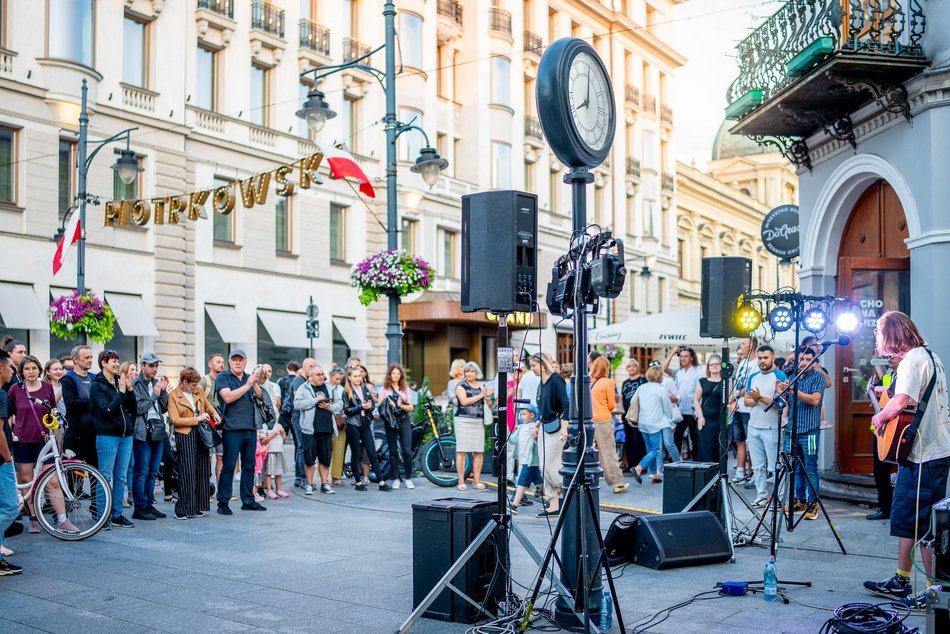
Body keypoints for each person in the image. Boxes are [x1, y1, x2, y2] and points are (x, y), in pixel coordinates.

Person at [864, 312, 950, 608]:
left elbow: (902, 402)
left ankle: (932, 590)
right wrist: (885, 396)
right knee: (907, 520)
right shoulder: (929, 356)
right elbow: (910, 400)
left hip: (926, 455)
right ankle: (902, 579)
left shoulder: (914, 358)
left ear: (890, 335)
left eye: (881, 336)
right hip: (923, 454)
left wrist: (880, 415)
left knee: (925, 526)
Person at [9, 355, 75, 533]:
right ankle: (33, 518)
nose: (31, 372)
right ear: (22, 372)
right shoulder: (16, 389)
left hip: (44, 440)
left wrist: (53, 420)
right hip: (23, 441)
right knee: (27, 481)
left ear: (39, 370)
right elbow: (10, 414)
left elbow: (52, 409)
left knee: (53, 481)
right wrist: (11, 432)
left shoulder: (46, 388)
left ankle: (63, 520)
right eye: (27, 369)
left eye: (33, 368)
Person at [775, 346, 826, 521]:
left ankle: (813, 504)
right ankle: (800, 500)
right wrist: (780, 391)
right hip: (792, 430)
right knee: (795, 467)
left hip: (810, 431)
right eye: (801, 359)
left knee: (810, 468)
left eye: (807, 359)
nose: (803, 363)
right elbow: (785, 402)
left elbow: (815, 399)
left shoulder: (818, 377)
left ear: (814, 361)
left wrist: (792, 391)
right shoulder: (792, 378)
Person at [215, 349, 268, 514]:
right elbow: (228, 397)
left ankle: (248, 500)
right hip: (232, 428)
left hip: (250, 428)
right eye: (234, 360)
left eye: (241, 360)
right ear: (229, 362)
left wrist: (254, 383)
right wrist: (248, 385)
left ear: (245, 362)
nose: (237, 363)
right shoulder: (223, 377)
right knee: (229, 465)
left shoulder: (248, 377)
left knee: (249, 466)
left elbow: (261, 397)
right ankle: (222, 502)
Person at [89, 349, 137, 528]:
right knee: (105, 476)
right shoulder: (97, 385)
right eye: (113, 361)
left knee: (121, 477)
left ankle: (117, 514)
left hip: (126, 435)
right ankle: (102, 516)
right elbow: (106, 411)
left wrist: (130, 391)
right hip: (107, 435)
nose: (117, 364)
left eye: (117, 360)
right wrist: (122, 393)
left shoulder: (120, 382)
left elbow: (133, 409)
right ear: (103, 363)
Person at [167, 367, 218, 520]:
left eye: (196, 384)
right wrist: (197, 419)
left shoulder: (198, 390)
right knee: (187, 471)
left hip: (201, 433)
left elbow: (207, 405)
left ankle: (197, 507)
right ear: (184, 382)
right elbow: (175, 420)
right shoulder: (173, 396)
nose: (196, 387)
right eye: (193, 385)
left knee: (202, 470)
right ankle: (182, 508)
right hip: (185, 434)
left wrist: (214, 414)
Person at [743, 345, 787, 507]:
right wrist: (757, 399)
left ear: (773, 358)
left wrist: (759, 398)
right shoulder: (753, 376)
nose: (762, 361)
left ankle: (778, 497)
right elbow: (747, 402)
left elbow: (779, 404)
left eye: (765, 358)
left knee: (775, 465)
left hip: (771, 427)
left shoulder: (780, 376)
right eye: (760, 358)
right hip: (753, 426)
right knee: (757, 465)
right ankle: (761, 495)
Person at [130, 352, 169, 521]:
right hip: (142, 432)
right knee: (142, 471)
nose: (154, 369)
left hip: (158, 430)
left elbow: (164, 408)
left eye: (156, 366)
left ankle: (148, 503)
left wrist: (164, 391)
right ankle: (140, 507)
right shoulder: (135, 383)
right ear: (142, 366)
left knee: (153, 471)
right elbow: (138, 408)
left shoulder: (156, 383)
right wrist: (155, 394)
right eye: (151, 366)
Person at [342, 366, 390, 492]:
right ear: (350, 377)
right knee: (356, 454)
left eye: (359, 376)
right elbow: (347, 411)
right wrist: (361, 407)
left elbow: (373, 404)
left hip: (365, 424)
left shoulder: (365, 389)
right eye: (355, 376)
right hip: (353, 425)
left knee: (372, 453)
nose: (358, 378)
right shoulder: (346, 392)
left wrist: (369, 407)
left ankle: (381, 482)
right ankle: (358, 482)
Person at [536, 354, 569, 517]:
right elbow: (542, 407)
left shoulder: (556, 380)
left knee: (550, 465)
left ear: (542, 365)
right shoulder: (540, 382)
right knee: (543, 466)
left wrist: (565, 427)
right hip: (544, 426)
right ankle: (553, 504)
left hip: (556, 428)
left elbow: (566, 405)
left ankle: (569, 489)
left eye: (533, 365)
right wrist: (537, 424)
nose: (531, 368)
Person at [590, 357, 629, 494]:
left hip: (589, 421)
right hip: (603, 421)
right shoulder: (608, 383)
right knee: (608, 453)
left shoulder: (589, 381)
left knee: (588, 452)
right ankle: (617, 483)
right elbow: (612, 406)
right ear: (606, 368)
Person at [294, 365, 335, 495]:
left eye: (322, 374)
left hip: (327, 428)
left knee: (325, 459)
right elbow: (297, 404)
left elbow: (340, 405)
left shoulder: (329, 387)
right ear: (310, 376)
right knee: (309, 459)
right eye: (318, 374)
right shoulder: (303, 388)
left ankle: (324, 484)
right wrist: (314, 400)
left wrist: (330, 406)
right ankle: (309, 484)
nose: (321, 377)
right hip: (309, 430)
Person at [629, 365, 674, 483]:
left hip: (643, 423)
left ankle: (655, 475)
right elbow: (667, 408)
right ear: (660, 377)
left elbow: (632, 401)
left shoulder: (641, 387)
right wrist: (670, 422)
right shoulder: (661, 389)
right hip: (655, 423)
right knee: (656, 450)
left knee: (650, 449)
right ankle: (639, 467)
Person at [867, 357, 899, 520]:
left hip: (896, 428)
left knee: (898, 471)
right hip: (881, 429)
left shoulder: (903, 376)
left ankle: (896, 509)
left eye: (891, 355)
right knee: (879, 470)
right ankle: (885, 508)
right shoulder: (888, 376)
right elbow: (882, 401)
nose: (889, 359)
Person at [0, 350, 23, 574]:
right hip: (1, 461)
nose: (12, 372)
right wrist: (7, 458)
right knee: (8, 508)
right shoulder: (0, 395)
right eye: (10, 367)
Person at [454, 361, 492, 492]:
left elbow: (489, 405)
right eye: (467, 371)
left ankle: (476, 481)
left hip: (478, 421)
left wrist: (486, 397)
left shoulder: (482, 386)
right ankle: (461, 480)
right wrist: (480, 395)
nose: (469, 373)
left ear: (477, 373)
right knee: (462, 451)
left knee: (479, 452)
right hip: (463, 421)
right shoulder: (460, 386)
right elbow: (464, 402)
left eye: (472, 371)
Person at [378, 364, 415, 490]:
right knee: (393, 451)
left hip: (403, 419)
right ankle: (396, 478)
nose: (396, 375)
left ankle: (408, 478)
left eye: (398, 373)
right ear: (389, 374)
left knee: (407, 451)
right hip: (390, 421)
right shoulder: (384, 389)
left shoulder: (405, 389)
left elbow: (411, 407)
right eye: (393, 373)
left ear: (401, 375)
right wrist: (389, 403)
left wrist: (400, 405)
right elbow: (379, 405)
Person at [663, 346, 703, 459]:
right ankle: (675, 463)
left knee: (695, 438)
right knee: (676, 437)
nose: (683, 359)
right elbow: (663, 369)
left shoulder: (699, 370)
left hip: (693, 409)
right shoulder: (678, 371)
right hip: (680, 410)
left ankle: (697, 462)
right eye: (681, 357)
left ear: (692, 358)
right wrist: (672, 353)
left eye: (686, 357)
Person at [61, 344, 97, 467]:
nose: (90, 360)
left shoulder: (95, 378)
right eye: (86, 357)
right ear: (75, 359)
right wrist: (92, 401)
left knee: (96, 473)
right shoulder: (68, 379)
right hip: (75, 435)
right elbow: (71, 404)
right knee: (75, 475)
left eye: (91, 357)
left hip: (93, 434)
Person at [283, 358, 316, 489]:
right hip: (297, 417)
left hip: (301, 417)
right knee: (302, 447)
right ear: (304, 367)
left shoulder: (304, 381)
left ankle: (299, 477)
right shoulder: (298, 381)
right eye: (311, 366)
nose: (313, 369)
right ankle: (302, 478)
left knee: (300, 447)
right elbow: (298, 401)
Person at [730, 339, 755, 483]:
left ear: (751, 345)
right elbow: (737, 383)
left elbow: (751, 385)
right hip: (738, 407)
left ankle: (752, 472)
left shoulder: (756, 363)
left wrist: (737, 395)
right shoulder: (742, 363)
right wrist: (733, 400)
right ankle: (740, 471)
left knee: (751, 442)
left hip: (749, 408)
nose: (741, 347)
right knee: (739, 441)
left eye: (743, 344)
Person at [510, 404, 542, 512]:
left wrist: (537, 425)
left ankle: (514, 505)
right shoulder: (521, 427)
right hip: (526, 460)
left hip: (529, 461)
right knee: (539, 480)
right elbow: (513, 440)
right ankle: (550, 499)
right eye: (520, 414)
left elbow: (536, 438)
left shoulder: (533, 427)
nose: (521, 417)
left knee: (521, 483)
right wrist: (512, 430)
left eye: (524, 414)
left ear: (532, 415)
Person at [695, 354, 726, 464]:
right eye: (711, 364)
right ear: (708, 367)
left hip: (719, 419)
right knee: (705, 448)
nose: (714, 366)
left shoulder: (725, 382)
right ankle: (704, 475)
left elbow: (730, 399)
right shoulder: (702, 381)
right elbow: (696, 400)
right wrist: (700, 417)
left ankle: (717, 474)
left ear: (721, 366)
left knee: (717, 447)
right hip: (705, 420)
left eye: (717, 364)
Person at [199, 353, 225, 481]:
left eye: (222, 362)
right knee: (207, 458)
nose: (222, 364)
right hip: (208, 426)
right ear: (210, 364)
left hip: (221, 425)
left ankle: (221, 491)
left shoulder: (225, 380)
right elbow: (197, 399)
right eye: (218, 362)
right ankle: (206, 490)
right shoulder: (205, 381)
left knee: (221, 457)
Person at [620, 360, 648, 472]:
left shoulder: (643, 381)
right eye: (629, 366)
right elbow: (623, 397)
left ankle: (640, 466)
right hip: (627, 415)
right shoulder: (625, 382)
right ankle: (631, 466)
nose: (631, 368)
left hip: (640, 415)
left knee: (639, 441)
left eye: (633, 366)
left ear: (637, 368)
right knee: (629, 441)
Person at [328, 366, 347, 486]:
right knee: (326, 449)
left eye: (340, 379)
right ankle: (325, 476)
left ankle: (336, 475)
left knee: (339, 449)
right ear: (330, 375)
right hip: (327, 420)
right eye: (336, 378)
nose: (338, 381)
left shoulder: (342, 389)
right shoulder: (325, 387)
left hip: (340, 421)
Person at [261, 418, 288, 499]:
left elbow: (284, 439)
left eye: (276, 414)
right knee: (269, 472)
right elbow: (263, 441)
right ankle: (269, 490)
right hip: (270, 452)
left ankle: (278, 489)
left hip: (279, 451)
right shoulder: (265, 426)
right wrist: (273, 434)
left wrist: (283, 432)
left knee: (278, 471)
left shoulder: (279, 425)